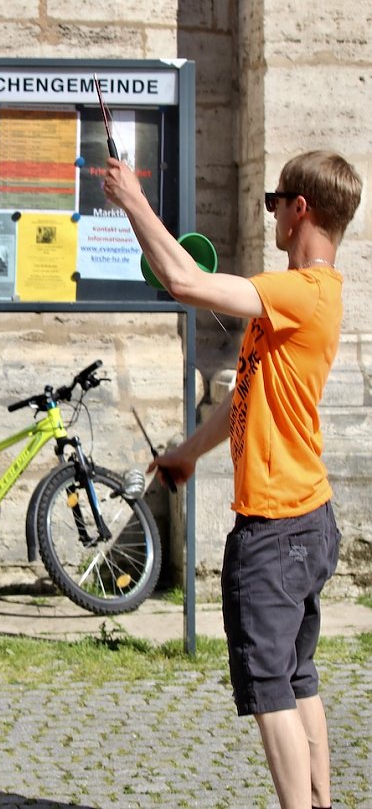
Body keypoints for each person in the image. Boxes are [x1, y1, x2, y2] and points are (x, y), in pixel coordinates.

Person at [103, 150, 362, 809]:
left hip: (276, 531)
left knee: (271, 686)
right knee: (296, 675)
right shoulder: (303, 301)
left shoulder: (302, 292)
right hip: (308, 520)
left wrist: (133, 200)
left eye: (276, 199)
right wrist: (189, 451)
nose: (270, 210)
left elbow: (185, 282)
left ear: (301, 209)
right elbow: (245, 393)